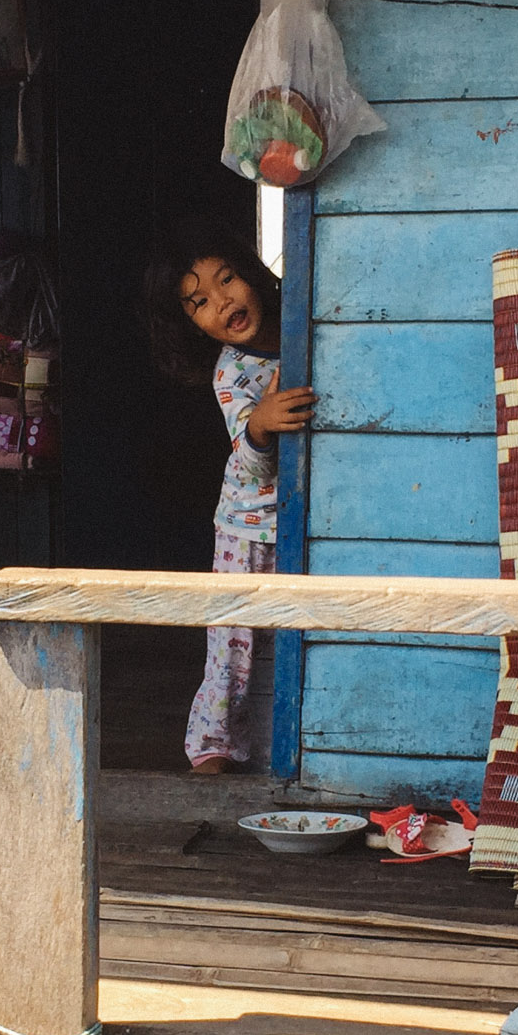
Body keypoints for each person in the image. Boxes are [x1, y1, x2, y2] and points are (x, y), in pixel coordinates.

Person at [143, 221, 315, 774]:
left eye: (227, 280)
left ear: (253, 276)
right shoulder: (232, 374)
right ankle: (210, 751)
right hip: (246, 527)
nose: (222, 301)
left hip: (306, 520)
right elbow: (250, 455)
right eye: (199, 301)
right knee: (232, 651)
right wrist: (261, 425)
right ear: (190, 324)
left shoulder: (305, 322)